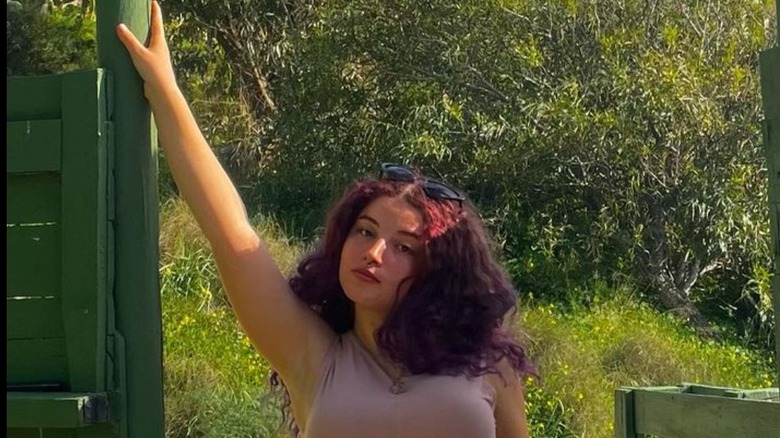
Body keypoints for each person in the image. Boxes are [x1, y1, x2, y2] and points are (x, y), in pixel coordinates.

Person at [117, 2, 535, 437]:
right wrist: (165, 89)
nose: (373, 252)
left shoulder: (488, 365)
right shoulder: (315, 356)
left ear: (436, 270)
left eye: (404, 246)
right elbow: (231, 232)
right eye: (365, 231)